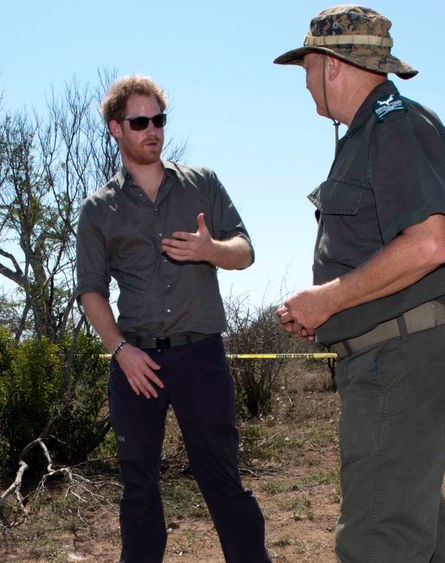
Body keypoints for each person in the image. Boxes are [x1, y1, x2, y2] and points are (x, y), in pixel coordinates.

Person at [273, 5, 445, 562]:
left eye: (306, 65)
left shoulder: (393, 125)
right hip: (391, 357)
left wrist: (326, 298)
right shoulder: (368, 133)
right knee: (413, 543)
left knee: (377, 545)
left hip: (395, 365)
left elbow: (431, 243)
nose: (304, 80)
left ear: (332, 65)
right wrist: (329, 313)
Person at [75, 75, 271, 563]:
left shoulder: (201, 184)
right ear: (116, 129)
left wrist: (211, 250)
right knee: (139, 490)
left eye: (158, 119)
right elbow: (90, 292)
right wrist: (121, 352)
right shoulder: (99, 210)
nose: (152, 130)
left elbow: (245, 252)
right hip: (136, 363)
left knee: (223, 479)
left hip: (201, 355)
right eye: (140, 122)